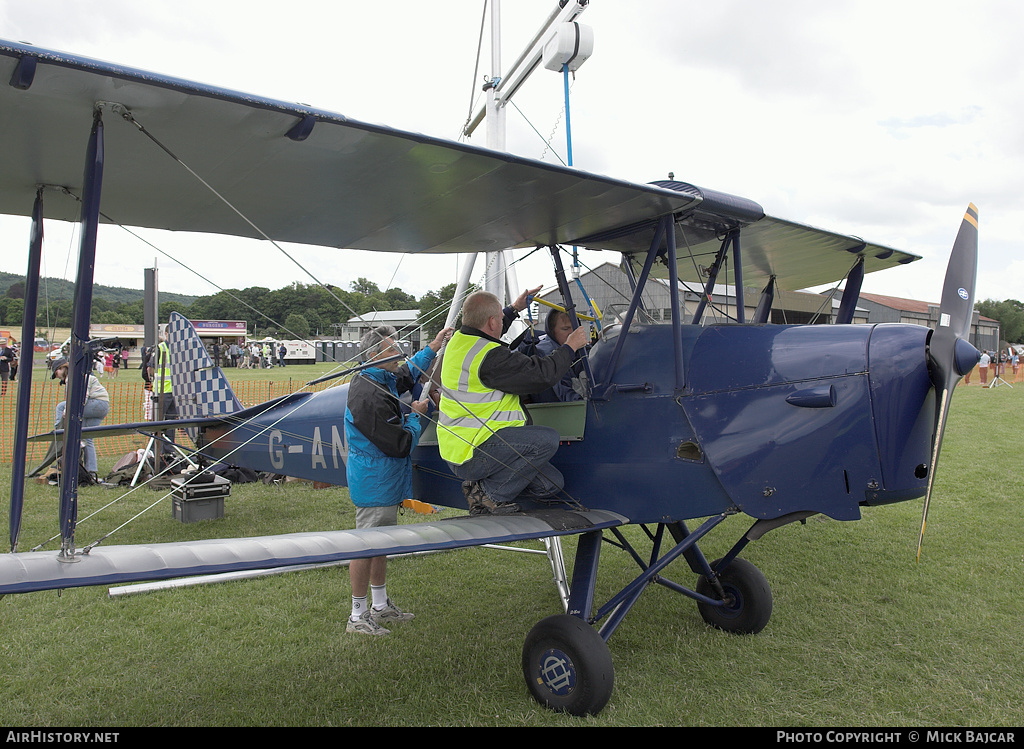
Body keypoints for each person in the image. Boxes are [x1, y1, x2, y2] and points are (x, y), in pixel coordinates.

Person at [343, 323, 454, 635]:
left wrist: (434, 345)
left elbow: (409, 372)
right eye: (393, 349)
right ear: (375, 355)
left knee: (381, 544)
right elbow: (399, 443)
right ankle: (357, 614)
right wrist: (417, 415)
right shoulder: (368, 394)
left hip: (386, 478)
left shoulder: (383, 376)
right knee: (365, 544)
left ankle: (379, 605)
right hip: (374, 480)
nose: (399, 354)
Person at [438, 288, 588, 515]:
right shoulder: (490, 357)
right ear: (491, 322)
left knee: (551, 484)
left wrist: (513, 309)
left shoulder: (460, 340)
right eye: (499, 319)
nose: (500, 322)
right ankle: (488, 496)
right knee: (546, 440)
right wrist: (569, 347)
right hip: (475, 448)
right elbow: (541, 375)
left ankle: (480, 485)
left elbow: (487, 331)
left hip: (460, 445)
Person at [51, 357, 110, 482]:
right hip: (101, 407)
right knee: (86, 437)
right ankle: (91, 471)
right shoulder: (75, 377)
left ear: (62, 368)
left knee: (61, 406)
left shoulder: (78, 377)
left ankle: (58, 429)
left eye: (56, 372)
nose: (57, 376)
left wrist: (68, 410)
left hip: (97, 404)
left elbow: (83, 396)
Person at [518, 309, 585, 403]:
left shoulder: (581, 351)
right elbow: (561, 395)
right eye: (565, 329)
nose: (572, 334)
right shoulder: (544, 353)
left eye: (575, 328)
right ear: (552, 332)